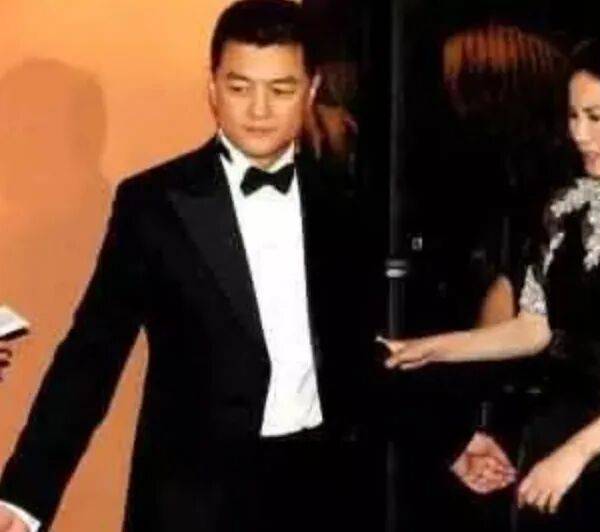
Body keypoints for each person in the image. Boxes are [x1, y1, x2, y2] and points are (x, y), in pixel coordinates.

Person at [0, 1, 380, 531]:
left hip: (320, 493)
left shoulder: (343, 201)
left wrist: (451, 440)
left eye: (281, 89)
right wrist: (24, 495)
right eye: (240, 87)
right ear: (213, 88)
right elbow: (91, 356)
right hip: (192, 502)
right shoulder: (154, 204)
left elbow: (364, 355)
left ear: (311, 90)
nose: (259, 109)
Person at [384, 39, 600, 531]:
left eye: (596, 117)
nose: (579, 133)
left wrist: (577, 453)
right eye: (572, 116)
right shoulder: (563, 206)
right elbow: (533, 329)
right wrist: (435, 348)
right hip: (548, 445)